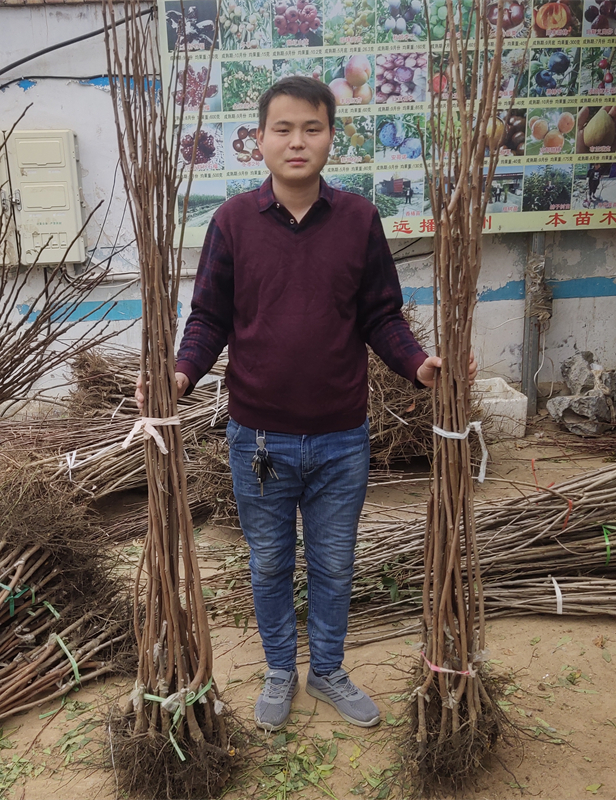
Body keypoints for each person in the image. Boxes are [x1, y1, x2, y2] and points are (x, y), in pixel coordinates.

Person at [138, 77, 477, 732]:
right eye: (284, 129)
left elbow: (382, 315)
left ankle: (326, 669)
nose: (298, 141)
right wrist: (178, 376)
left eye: (312, 128)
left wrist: (420, 366)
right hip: (259, 438)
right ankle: (277, 670)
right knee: (268, 560)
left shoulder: (358, 221)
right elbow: (208, 318)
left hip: (340, 437)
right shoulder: (233, 223)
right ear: (258, 140)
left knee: (333, 560)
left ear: (331, 137)